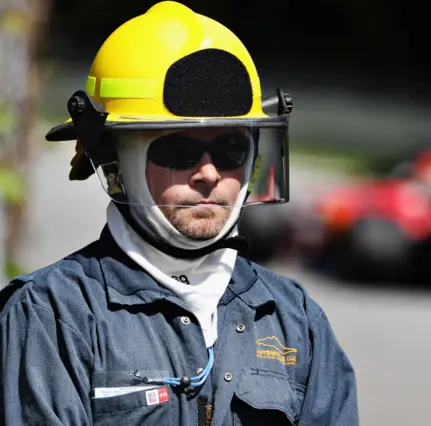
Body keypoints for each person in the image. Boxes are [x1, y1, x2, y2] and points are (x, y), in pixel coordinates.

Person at [0, 2, 359, 425]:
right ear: (113, 159)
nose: (209, 173)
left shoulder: (295, 319)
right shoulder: (51, 315)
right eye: (179, 151)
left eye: (230, 149)